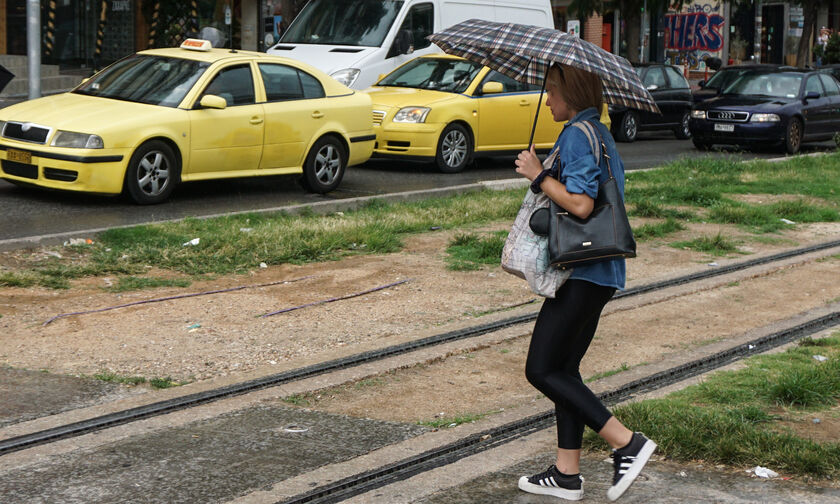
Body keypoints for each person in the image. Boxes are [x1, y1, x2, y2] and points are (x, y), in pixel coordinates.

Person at [512, 63, 657, 502]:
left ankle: (625, 442)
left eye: (552, 91)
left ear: (570, 93)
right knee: (564, 369)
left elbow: (580, 203)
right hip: (601, 270)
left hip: (581, 269)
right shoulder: (600, 133)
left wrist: (538, 175)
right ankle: (567, 473)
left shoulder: (577, 134)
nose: (549, 99)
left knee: (540, 368)